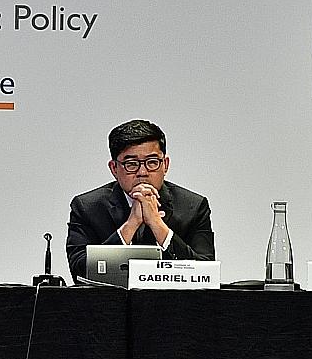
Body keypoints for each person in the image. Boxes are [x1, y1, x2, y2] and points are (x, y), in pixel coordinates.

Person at [66, 120, 215, 281]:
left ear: (165, 165)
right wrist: (131, 224)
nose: (142, 172)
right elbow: (79, 272)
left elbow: (206, 272)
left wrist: (157, 225)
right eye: (131, 164)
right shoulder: (87, 207)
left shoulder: (193, 206)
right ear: (114, 168)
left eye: (152, 162)